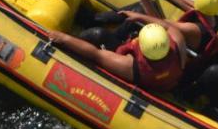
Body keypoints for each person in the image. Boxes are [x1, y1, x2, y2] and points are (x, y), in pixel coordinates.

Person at [47, 21, 188, 95]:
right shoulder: (179, 42)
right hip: (166, 83)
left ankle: (81, 28)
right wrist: (138, 17)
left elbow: (95, 54)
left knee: (98, 34)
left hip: (146, 82)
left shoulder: (128, 65)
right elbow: (168, 26)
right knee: (128, 24)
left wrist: (64, 38)